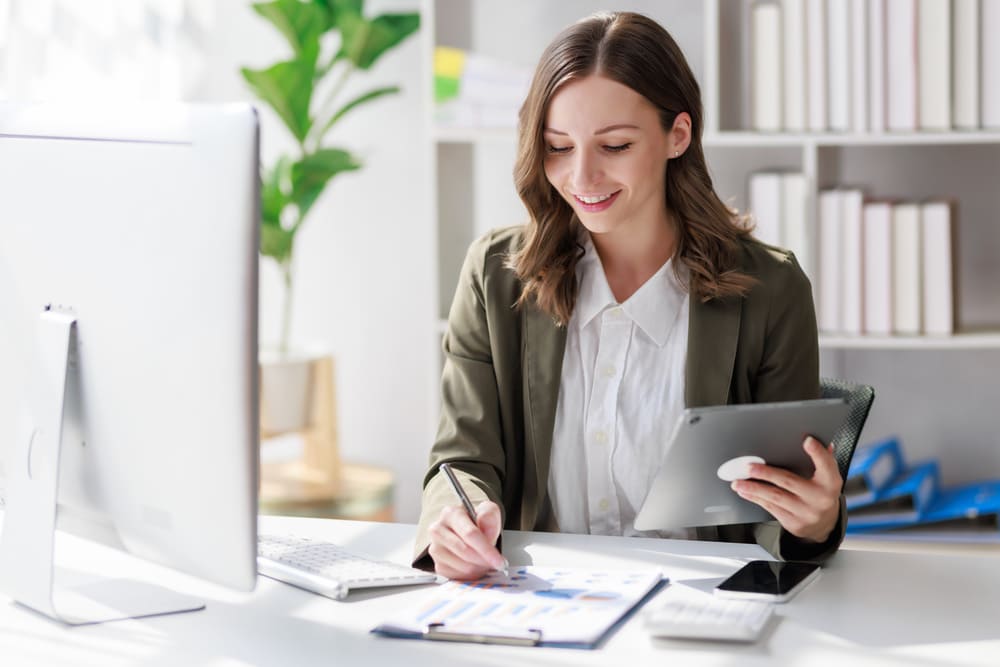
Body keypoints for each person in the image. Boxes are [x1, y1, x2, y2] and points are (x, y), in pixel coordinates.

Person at [414, 11, 845, 579]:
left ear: (678, 136)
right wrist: (454, 520)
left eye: (614, 145)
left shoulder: (771, 289)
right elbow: (461, 461)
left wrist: (812, 522)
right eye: (558, 147)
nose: (582, 178)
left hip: (703, 605)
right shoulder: (495, 276)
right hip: (540, 601)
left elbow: (773, 502)